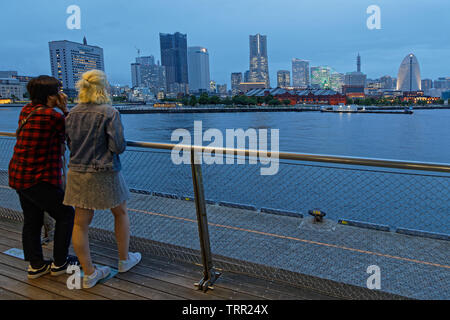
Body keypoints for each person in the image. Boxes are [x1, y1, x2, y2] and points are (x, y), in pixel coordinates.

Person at [63, 69, 141, 289]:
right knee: (121, 212)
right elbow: (118, 146)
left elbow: (70, 144)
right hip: (105, 171)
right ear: (102, 88)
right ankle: (124, 259)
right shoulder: (109, 112)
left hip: (77, 172)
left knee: (80, 223)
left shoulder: (72, 113)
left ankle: (89, 273)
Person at [8, 75, 79, 279]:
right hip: (39, 177)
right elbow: (72, 136)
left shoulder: (27, 110)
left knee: (32, 219)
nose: (61, 94)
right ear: (51, 95)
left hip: (19, 174)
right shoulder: (52, 117)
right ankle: (60, 262)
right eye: (58, 90)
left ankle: (36, 265)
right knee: (66, 215)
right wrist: (65, 109)